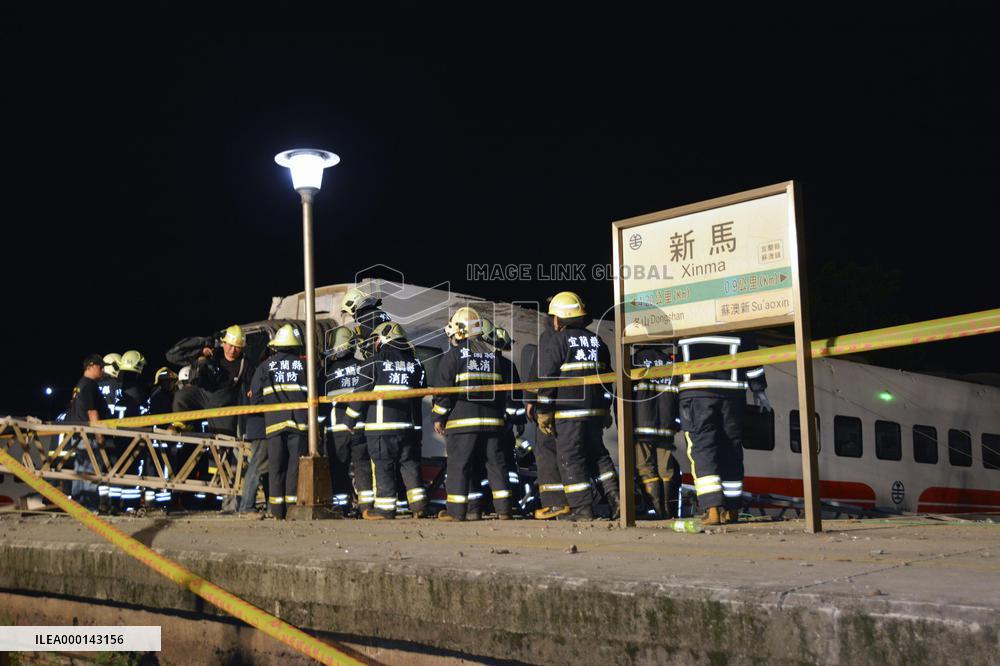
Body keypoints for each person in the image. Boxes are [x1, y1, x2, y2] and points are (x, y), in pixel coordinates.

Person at [534, 291, 619, 521]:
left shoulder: (557, 341)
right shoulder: (597, 342)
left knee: (570, 458)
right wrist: (606, 410)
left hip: (569, 411)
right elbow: (607, 379)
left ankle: (582, 508)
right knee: (598, 455)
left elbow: (547, 379)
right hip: (594, 413)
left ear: (558, 319)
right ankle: (615, 498)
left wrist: (543, 412)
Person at [432, 307, 521, 521]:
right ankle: (504, 509)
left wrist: (439, 417)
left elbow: (443, 392)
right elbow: (507, 393)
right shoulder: (495, 357)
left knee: (459, 466)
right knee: (496, 465)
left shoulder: (453, 356)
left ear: (459, 332)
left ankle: (456, 512)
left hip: (462, 424)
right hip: (493, 425)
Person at [677, 333, 769, 525]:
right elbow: (751, 352)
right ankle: (733, 508)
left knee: (702, 448)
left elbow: (676, 355)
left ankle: (712, 509)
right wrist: (758, 388)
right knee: (732, 448)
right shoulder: (734, 320)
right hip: (732, 393)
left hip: (696, 391)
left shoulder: (685, 315)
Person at [343, 321, 421, 520]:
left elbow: (359, 395)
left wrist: (349, 421)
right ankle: (419, 505)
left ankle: (385, 509)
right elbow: (419, 397)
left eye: (376, 339)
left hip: (381, 428)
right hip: (407, 427)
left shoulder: (373, 363)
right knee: (409, 465)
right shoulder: (415, 364)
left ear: (384, 338)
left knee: (383, 467)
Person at [248, 324, 310, 520]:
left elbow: (255, 400)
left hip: (274, 425)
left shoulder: (264, 367)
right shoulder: (304, 366)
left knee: (276, 467)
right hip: (299, 425)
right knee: (294, 467)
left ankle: (277, 511)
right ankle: (292, 508)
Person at [167, 324, 253, 436]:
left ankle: (222, 451)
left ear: (242, 347)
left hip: (223, 405)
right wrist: (201, 349)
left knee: (224, 441)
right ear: (224, 343)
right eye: (230, 345)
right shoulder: (213, 352)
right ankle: (179, 425)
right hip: (202, 394)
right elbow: (172, 355)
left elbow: (256, 380)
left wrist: (253, 388)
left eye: (237, 347)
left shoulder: (244, 364)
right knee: (182, 395)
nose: (232, 350)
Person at [324, 326, 373, 517]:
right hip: (361, 427)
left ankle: (341, 507)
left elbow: (322, 408)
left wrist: (321, 428)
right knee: (363, 467)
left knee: (338, 469)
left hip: (337, 430)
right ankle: (366, 507)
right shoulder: (364, 367)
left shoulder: (327, 373)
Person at [632, 344, 681, 519]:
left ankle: (657, 511)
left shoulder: (634, 360)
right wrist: (676, 422)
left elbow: (624, 393)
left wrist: (623, 421)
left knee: (645, 468)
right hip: (666, 427)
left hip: (642, 426)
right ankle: (668, 511)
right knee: (666, 468)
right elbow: (679, 394)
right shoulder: (670, 362)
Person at [66, 354, 111, 510]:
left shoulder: (79, 385)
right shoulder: (90, 385)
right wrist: (100, 436)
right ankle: (88, 509)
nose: (103, 371)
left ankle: (78, 508)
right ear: (90, 366)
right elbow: (92, 412)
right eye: (100, 367)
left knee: (80, 473)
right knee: (90, 473)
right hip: (89, 437)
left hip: (78, 435)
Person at [115, 350, 150, 511]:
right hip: (130, 439)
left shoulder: (114, 385)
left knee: (113, 471)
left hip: (112, 438)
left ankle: (113, 504)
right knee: (130, 470)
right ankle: (130, 505)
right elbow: (143, 413)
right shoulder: (137, 390)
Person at [148, 367, 178, 510]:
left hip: (159, 439)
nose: (172, 385)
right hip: (162, 440)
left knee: (156, 471)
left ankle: (154, 501)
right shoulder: (161, 397)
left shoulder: (158, 395)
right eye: (170, 382)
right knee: (162, 471)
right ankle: (162, 503)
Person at [340, 286, 392, 358]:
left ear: (352, 307)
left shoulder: (366, 320)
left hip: (383, 360)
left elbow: (371, 349)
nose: (351, 316)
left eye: (349, 313)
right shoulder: (379, 312)